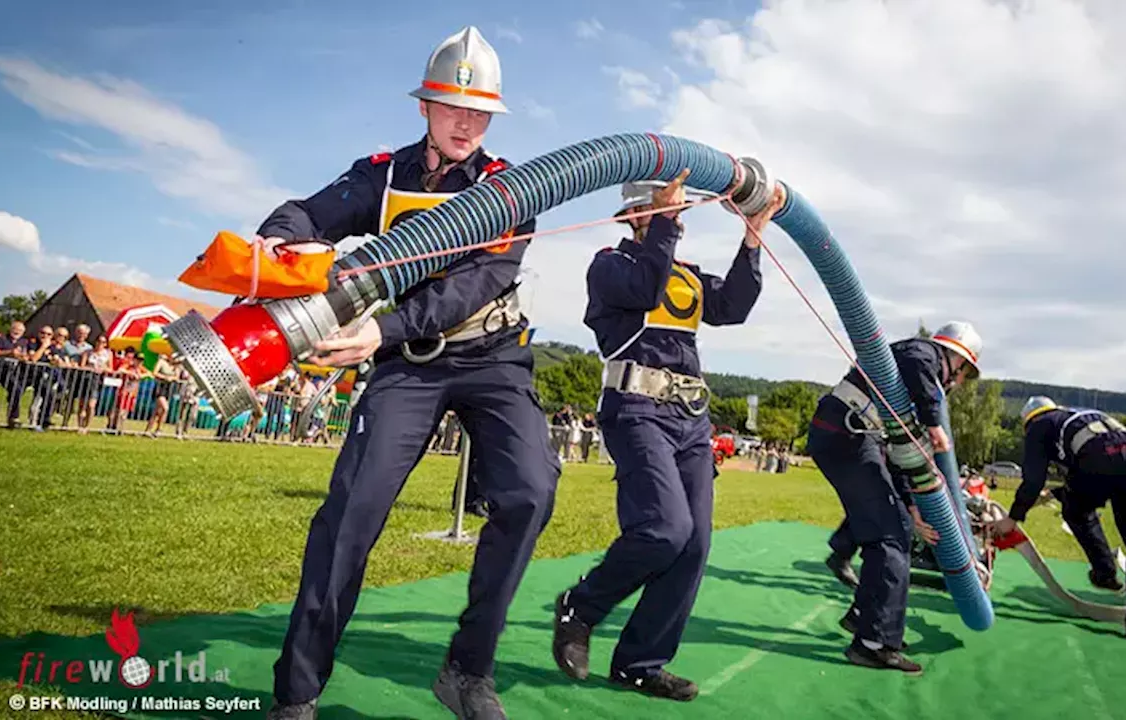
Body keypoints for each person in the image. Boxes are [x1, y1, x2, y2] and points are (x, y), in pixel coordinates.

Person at [257, 26, 560, 720]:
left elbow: (479, 282)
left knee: (529, 493)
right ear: (424, 107)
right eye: (452, 106)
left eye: (479, 111)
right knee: (352, 510)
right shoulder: (380, 174)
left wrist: (379, 329)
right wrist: (277, 235)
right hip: (406, 365)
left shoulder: (512, 188)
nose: (466, 122)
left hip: (491, 357)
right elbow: (309, 211)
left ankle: (468, 669)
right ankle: (296, 692)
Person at [551, 169, 784, 700]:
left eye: (677, 212)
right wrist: (665, 224)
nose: (677, 220)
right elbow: (644, 287)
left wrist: (753, 237)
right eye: (667, 209)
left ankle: (639, 662)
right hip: (636, 410)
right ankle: (580, 606)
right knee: (664, 529)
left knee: (694, 543)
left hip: (691, 419)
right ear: (639, 213)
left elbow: (734, 308)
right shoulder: (609, 265)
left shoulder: (684, 271)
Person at [807, 321, 982, 674]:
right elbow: (918, 361)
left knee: (896, 528)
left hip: (851, 438)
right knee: (889, 536)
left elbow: (901, 455)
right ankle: (873, 642)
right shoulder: (921, 354)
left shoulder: (912, 381)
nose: (960, 384)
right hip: (848, 437)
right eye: (965, 374)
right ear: (957, 360)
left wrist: (913, 507)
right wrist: (934, 423)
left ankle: (865, 618)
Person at [990, 396, 1126, 642]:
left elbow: (1033, 480)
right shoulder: (1081, 415)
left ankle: (1104, 571)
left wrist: (1012, 519)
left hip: (1099, 461)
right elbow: (1104, 459)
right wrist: (1057, 493)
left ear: (1028, 420)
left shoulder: (1038, 425)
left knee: (1076, 511)